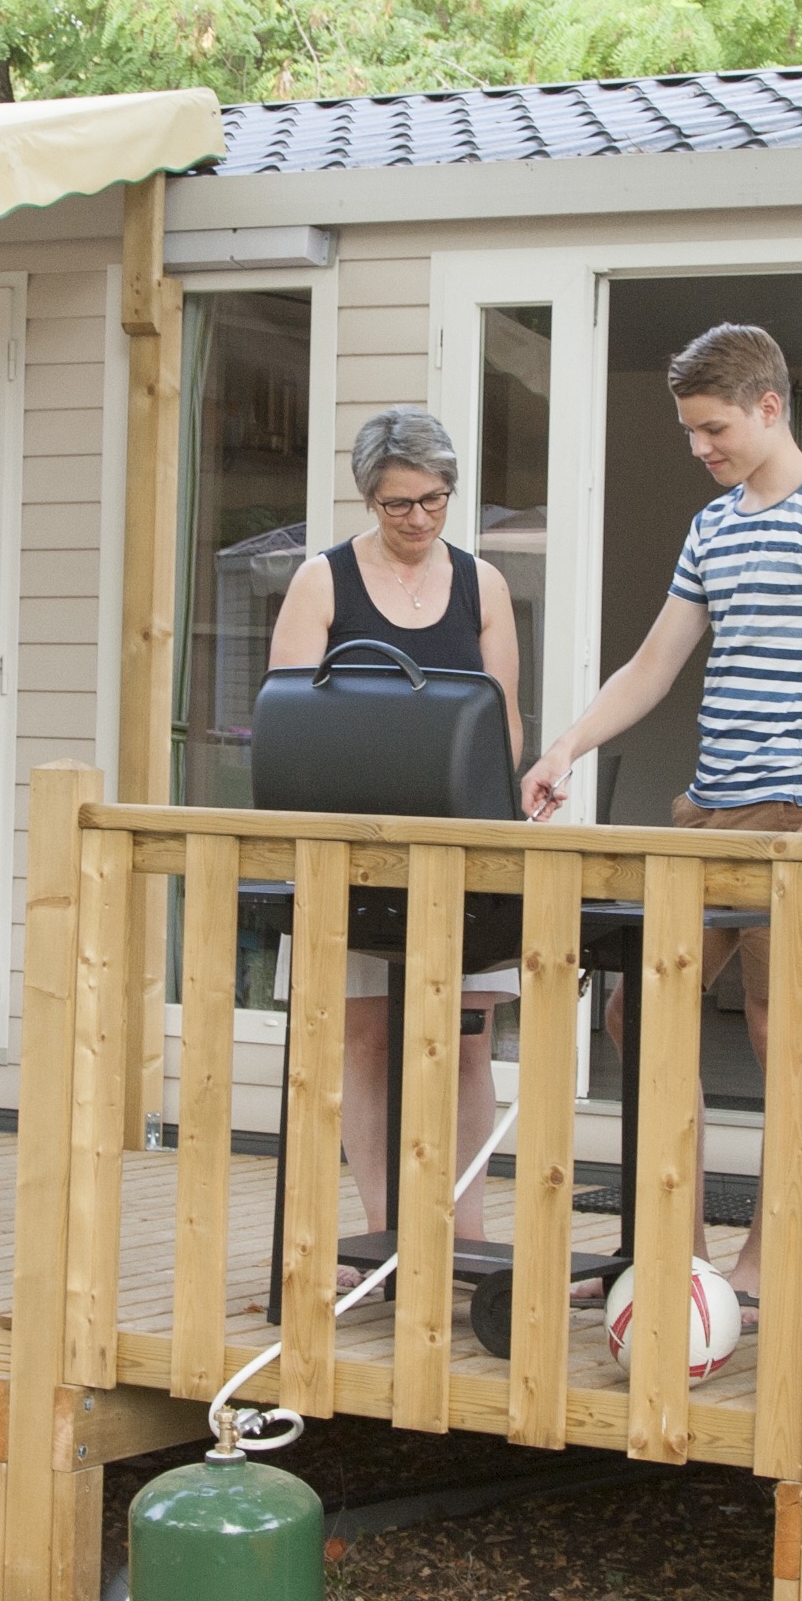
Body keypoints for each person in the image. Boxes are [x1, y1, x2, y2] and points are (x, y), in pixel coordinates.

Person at [518, 322, 802, 1299]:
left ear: (770, 407)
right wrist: (566, 745)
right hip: (707, 815)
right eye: (691, 430)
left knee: (785, 1035)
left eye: (714, 427)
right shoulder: (714, 528)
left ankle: (768, 1264)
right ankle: (671, 1257)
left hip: (797, 814)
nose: (701, 447)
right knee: (639, 1012)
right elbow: (653, 665)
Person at [264, 408, 526, 1243]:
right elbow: (290, 720)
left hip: (467, 849)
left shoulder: (481, 583)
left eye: (435, 500)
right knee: (370, 1042)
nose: (418, 519)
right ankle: (385, 1234)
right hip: (354, 855)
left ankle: (469, 1233)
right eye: (398, 504)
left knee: (471, 1042)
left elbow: (504, 721)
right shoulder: (322, 581)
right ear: (368, 500)